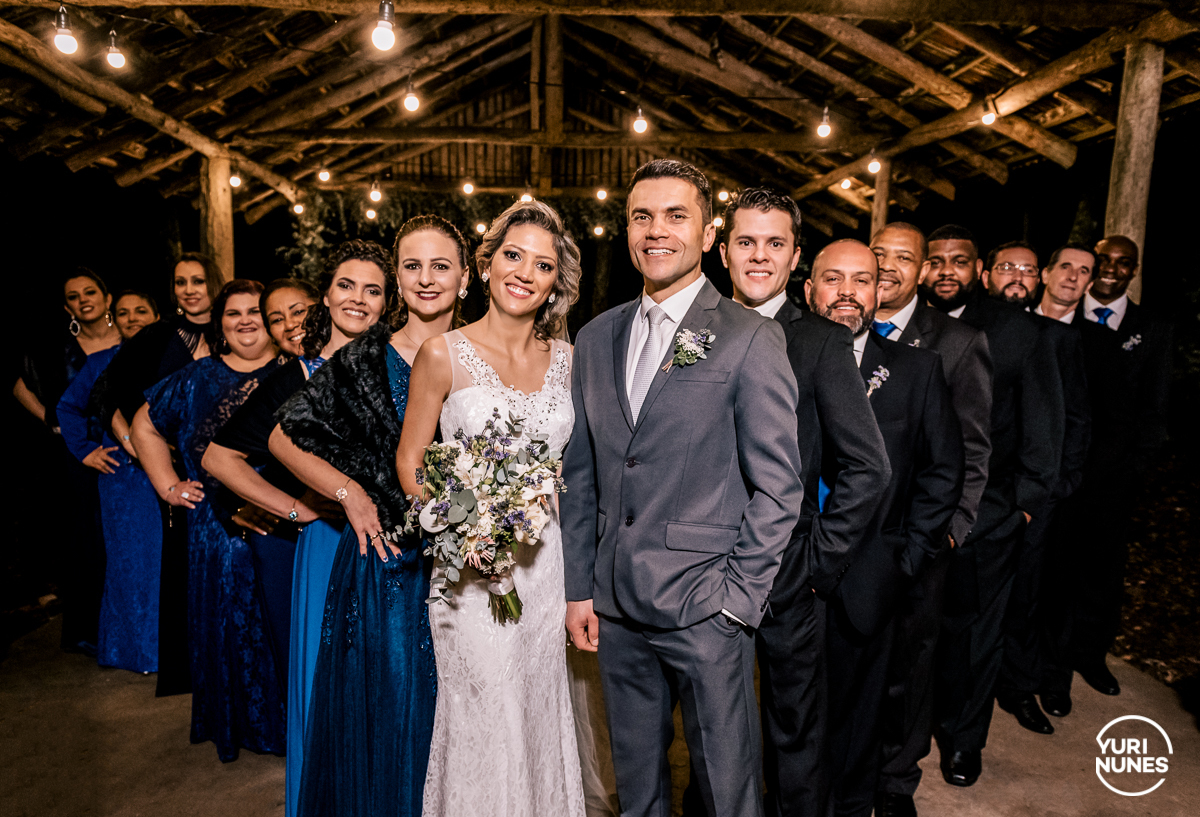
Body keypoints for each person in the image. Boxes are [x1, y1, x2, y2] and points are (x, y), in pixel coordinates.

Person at [562, 159, 803, 817]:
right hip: (615, 608)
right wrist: (581, 587)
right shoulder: (596, 336)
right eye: (642, 216)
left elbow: (780, 488)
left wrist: (737, 602)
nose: (656, 230)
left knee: (728, 791)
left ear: (707, 234)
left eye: (676, 215)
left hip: (706, 609)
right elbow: (581, 476)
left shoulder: (750, 337)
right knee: (637, 791)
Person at [396, 201, 586, 817]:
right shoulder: (442, 354)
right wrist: (462, 530)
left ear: (556, 283)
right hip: (471, 576)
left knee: (537, 707)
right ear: (485, 264)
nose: (525, 272)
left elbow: (581, 470)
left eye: (543, 265)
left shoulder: (570, 361)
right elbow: (411, 461)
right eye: (513, 255)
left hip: (547, 566)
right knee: (486, 710)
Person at [271, 226, 460, 817]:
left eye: (440, 265)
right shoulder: (364, 358)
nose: (426, 278)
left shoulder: (479, 349)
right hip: (386, 566)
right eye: (412, 266)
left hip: (469, 564)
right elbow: (283, 436)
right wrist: (347, 492)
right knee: (393, 710)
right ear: (398, 278)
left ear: (465, 276)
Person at [208, 246, 401, 817]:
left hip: (395, 545)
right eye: (346, 286)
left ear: (387, 302)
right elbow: (220, 459)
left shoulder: (399, 363)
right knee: (325, 685)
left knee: (389, 683)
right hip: (329, 547)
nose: (358, 299)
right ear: (326, 296)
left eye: (372, 290)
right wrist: (299, 510)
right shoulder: (294, 376)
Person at [715, 189, 889, 817]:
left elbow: (868, 467)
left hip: (789, 572)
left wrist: (817, 564)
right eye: (746, 242)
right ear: (723, 251)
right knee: (714, 730)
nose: (759, 256)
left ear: (795, 258)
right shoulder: (694, 330)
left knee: (793, 732)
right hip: (702, 568)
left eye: (775, 244)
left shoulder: (819, 341)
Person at [807, 240, 963, 817]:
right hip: (790, 571)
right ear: (809, 290)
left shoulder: (917, 370)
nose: (847, 292)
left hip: (872, 575)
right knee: (790, 713)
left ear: (878, 292)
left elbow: (943, 471)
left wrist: (907, 558)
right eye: (833, 279)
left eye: (862, 280)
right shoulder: (777, 356)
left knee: (859, 719)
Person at [922, 225, 1063, 788]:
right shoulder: (900, 322)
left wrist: (1024, 506)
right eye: (936, 261)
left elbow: (1044, 423)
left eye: (958, 261)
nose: (946, 271)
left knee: (977, 637)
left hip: (990, 513)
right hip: (913, 513)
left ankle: (964, 741)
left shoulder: (1019, 331)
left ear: (978, 271)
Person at [131, 279, 284, 761]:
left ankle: (291, 728)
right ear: (220, 324)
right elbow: (143, 425)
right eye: (233, 313)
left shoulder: (292, 372)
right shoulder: (196, 378)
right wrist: (168, 485)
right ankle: (238, 725)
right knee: (228, 629)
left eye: (255, 311)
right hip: (214, 534)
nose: (245, 321)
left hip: (282, 523)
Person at [869, 222, 993, 817]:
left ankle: (896, 782)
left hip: (919, 537)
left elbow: (973, 448)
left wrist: (950, 530)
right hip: (846, 536)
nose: (888, 266)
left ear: (921, 270)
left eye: (903, 257)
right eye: (879, 253)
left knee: (909, 665)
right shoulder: (836, 326)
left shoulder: (958, 343)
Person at [1041, 235, 1172, 703]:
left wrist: (1135, 469)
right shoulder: (1064, 316)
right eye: (1106, 261)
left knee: (1102, 570)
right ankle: (1049, 661)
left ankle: (1090, 654)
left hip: (1114, 477)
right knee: (1054, 570)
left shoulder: (1152, 328)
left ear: (1134, 270)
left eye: (1124, 262)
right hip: (1061, 471)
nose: (1113, 269)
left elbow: (1156, 407)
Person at [100, 252, 222, 695]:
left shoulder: (235, 327)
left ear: (214, 283)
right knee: (183, 563)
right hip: (179, 468)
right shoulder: (158, 335)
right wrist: (137, 448)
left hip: (232, 465)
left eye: (198, 281)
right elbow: (108, 392)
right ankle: (190, 669)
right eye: (180, 282)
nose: (189, 290)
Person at [984, 244, 1091, 735]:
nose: (1017, 277)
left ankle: (1019, 686)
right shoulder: (968, 326)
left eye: (1027, 270)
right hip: (982, 492)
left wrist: (1054, 487)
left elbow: (1075, 418)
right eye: (1007, 267)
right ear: (987, 274)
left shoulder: (1060, 338)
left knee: (1026, 593)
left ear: (1039, 278)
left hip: (1032, 493)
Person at [14, 268, 123, 654]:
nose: (82, 300)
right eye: (73, 297)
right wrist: (51, 419)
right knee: (86, 539)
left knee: (125, 535)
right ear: (67, 308)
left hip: (130, 449)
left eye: (90, 292)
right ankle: (89, 631)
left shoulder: (131, 335)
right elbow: (20, 383)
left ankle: (132, 627)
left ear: (107, 298)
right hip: (80, 452)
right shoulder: (56, 347)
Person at [56, 291, 163, 673]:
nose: (132, 318)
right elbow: (67, 407)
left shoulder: (175, 357)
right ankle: (137, 653)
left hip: (175, 470)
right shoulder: (102, 361)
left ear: (157, 316)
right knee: (132, 567)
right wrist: (85, 450)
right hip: (125, 479)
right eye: (123, 313)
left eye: (141, 311)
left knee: (169, 563)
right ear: (114, 319)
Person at [1034, 244, 1095, 322]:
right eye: (1065, 267)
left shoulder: (1095, 330)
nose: (1073, 277)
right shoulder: (1019, 316)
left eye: (1082, 272)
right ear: (1045, 275)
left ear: (1089, 286)